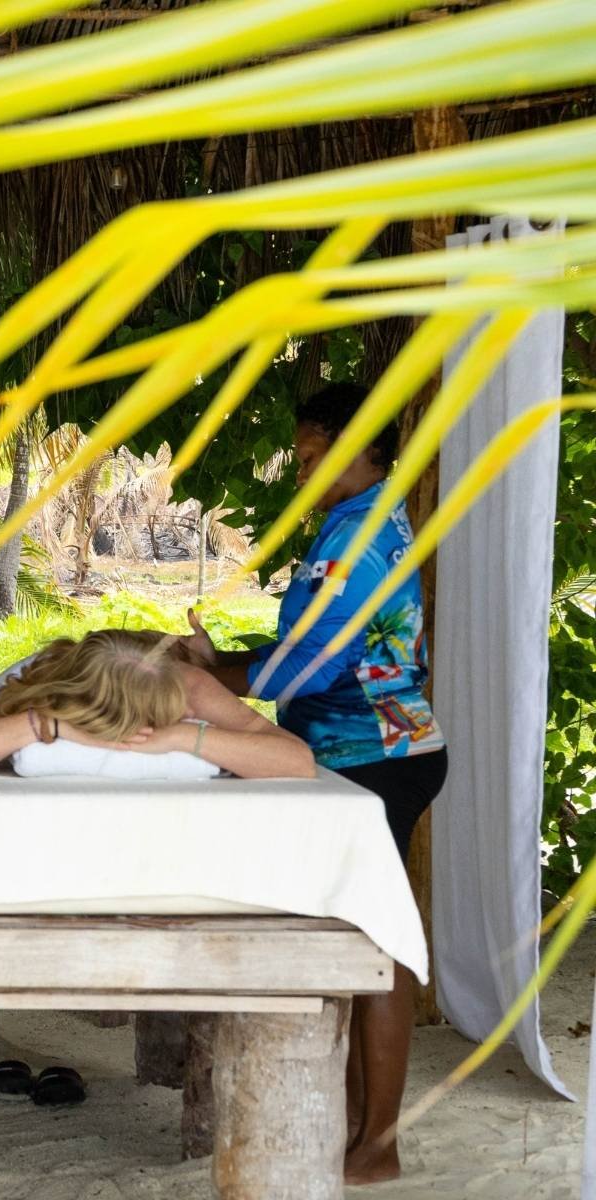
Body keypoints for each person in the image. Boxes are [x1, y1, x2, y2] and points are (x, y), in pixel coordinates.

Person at [178, 382, 448, 1186]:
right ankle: (363, 1128)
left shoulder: (353, 534)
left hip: (372, 755)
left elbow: (310, 661)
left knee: (379, 938)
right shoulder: (365, 519)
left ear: (359, 443)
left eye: (309, 456)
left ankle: (378, 1142)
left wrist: (209, 673)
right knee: (366, 931)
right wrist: (219, 665)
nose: (300, 473)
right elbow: (317, 642)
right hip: (375, 748)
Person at [0, 628, 314, 779]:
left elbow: (296, 760)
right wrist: (50, 725)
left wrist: (182, 737)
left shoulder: (189, 683)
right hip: (36, 668)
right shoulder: (47, 685)